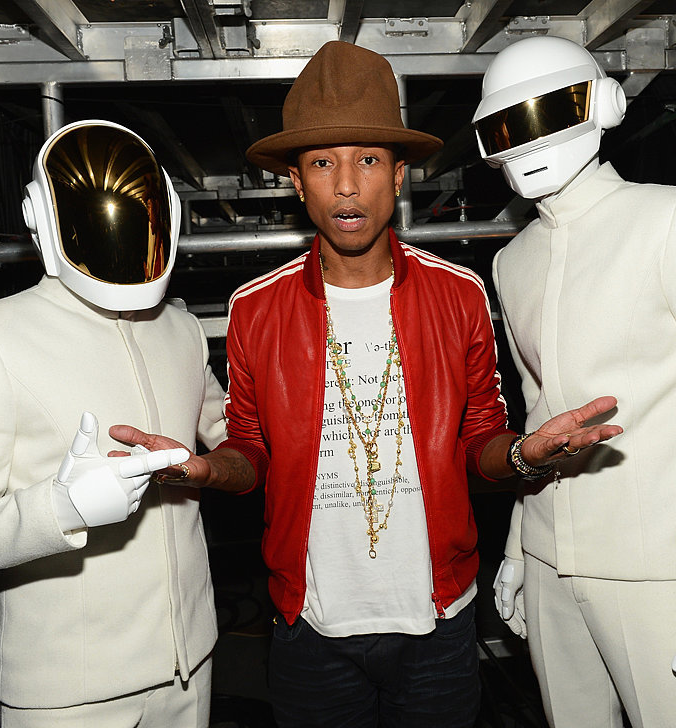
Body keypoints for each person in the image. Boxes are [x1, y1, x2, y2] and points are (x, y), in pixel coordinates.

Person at [112, 40, 621, 728]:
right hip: (309, 625)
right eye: (323, 163)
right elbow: (251, 453)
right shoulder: (256, 309)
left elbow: (480, 443)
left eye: (369, 161)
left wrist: (526, 454)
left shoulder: (459, 295)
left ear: (400, 175)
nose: (347, 186)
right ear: (297, 183)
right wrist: (205, 469)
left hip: (440, 618)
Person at [473, 34, 676, 728]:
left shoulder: (675, 220)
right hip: (547, 564)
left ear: (602, 106)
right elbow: (540, 419)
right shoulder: (513, 261)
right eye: (507, 126)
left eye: (547, 113)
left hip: (663, 574)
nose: (528, 142)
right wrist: (519, 545)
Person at [0, 119, 227, 727]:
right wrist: (60, 508)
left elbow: (232, 435)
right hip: (67, 689)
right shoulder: (2, 336)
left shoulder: (180, 328)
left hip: (190, 665)